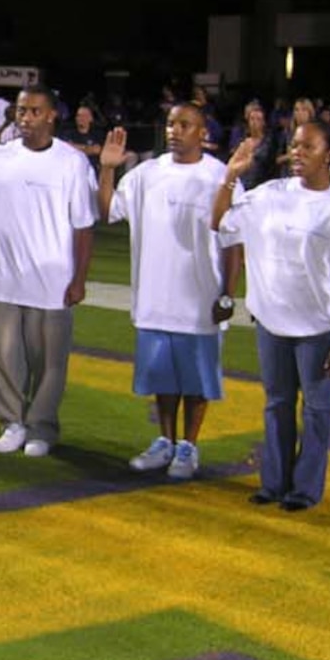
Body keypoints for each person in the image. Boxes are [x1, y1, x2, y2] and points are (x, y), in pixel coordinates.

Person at [212, 119, 330, 510]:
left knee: (316, 410)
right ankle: (273, 482)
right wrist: (230, 177)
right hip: (271, 321)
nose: (297, 154)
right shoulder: (269, 194)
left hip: (317, 327)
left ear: (329, 155)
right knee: (277, 403)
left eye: (308, 148)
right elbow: (220, 222)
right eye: (294, 146)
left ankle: (305, 489)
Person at [0, 88, 95, 458]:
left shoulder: (71, 162)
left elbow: (84, 225)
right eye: (21, 111)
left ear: (51, 116)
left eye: (34, 111)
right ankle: (12, 422)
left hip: (53, 283)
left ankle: (42, 428)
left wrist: (79, 279)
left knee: (49, 365)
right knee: (6, 360)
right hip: (4, 282)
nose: (25, 118)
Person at [98, 103, 243, 479]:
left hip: (200, 301)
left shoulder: (220, 177)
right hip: (154, 296)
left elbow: (233, 240)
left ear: (202, 132)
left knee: (196, 382)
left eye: (185, 124)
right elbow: (108, 210)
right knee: (162, 379)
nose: (175, 130)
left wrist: (227, 293)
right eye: (170, 124)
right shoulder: (146, 174)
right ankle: (165, 441)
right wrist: (108, 169)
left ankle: (188, 446)